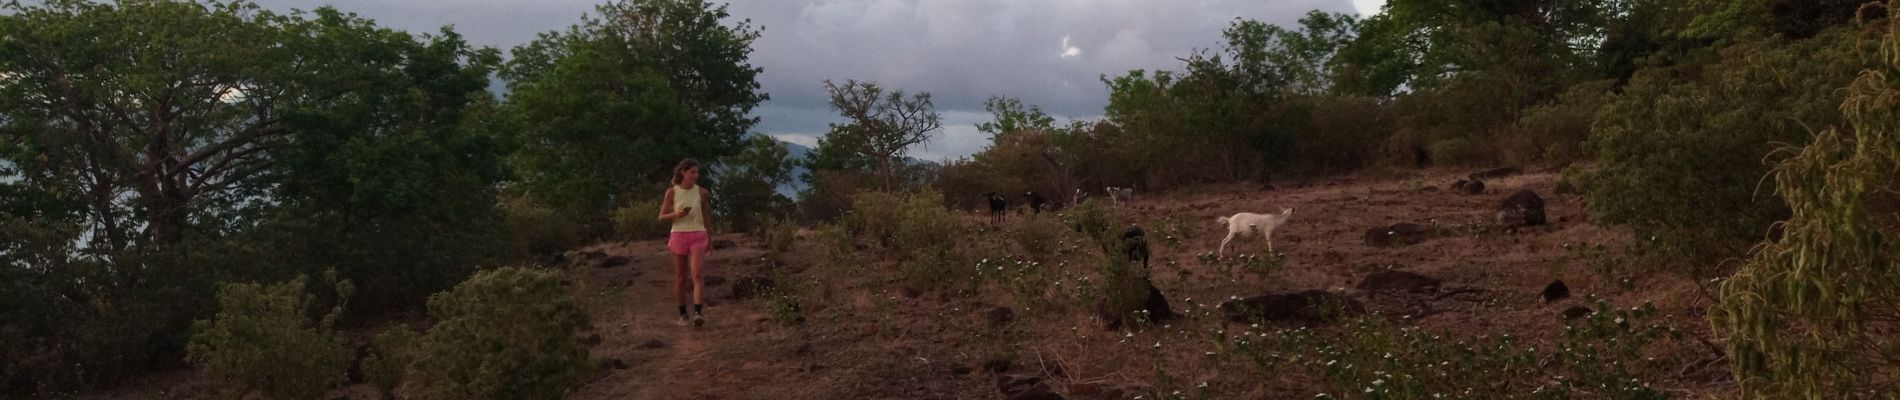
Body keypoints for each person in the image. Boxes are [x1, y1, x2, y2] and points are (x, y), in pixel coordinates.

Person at [658, 159, 713, 327]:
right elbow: (661, 217)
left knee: (697, 274)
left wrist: (710, 238)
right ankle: (682, 314)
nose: (696, 175)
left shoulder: (702, 192)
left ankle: (698, 312)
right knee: (681, 277)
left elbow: (705, 215)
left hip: (698, 234)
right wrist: (677, 214)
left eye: (697, 172)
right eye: (693, 172)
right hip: (678, 235)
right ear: (683, 172)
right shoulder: (672, 192)